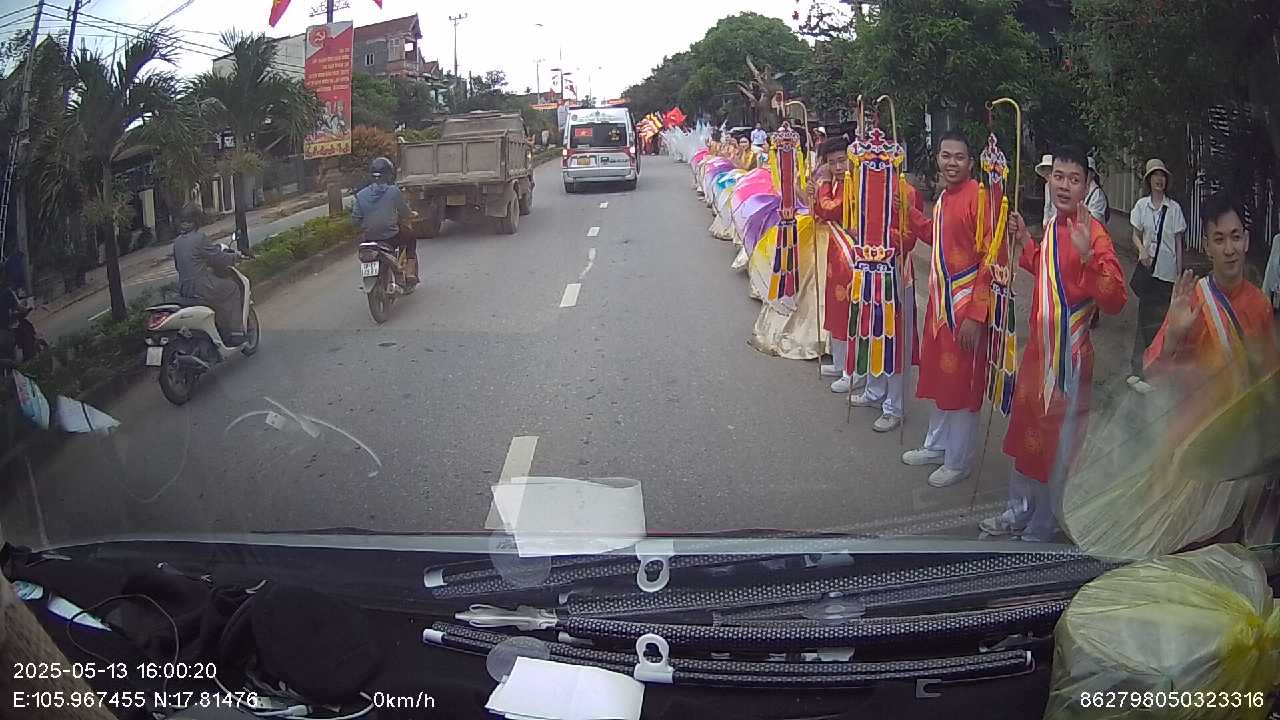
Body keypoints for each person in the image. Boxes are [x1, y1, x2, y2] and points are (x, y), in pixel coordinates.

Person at [981, 145, 1128, 542]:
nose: (1064, 185)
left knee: (1056, 446)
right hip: (1038, 356)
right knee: (1026, 434)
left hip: (1067, 361)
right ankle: (1019, 510)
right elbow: (1044, 270)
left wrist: (1089, 257)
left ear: (1087, 185)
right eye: (1058, 177)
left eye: (1073, 179)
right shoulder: (1052, 225)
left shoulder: (1093, 233)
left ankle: (1044, 525)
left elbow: (1116, 300)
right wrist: (1024, 241)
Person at [891, 130, 991, 482]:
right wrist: (909, 214)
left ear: (971, 163)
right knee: (943, 379)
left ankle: (958, 460)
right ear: (938, 159)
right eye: (946, 155)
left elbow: (991, 259)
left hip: (965, 307)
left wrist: (976, 315)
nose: (952, 162)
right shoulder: (946, 196)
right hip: (941, 306)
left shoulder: (979, 197)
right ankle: (937, 444)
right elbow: (937, 237)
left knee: (962, 384)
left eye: (959, 157)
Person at [1144, 190, 1279, 399]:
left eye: (1235, 237)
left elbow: (1270, 379)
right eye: (1219, 240)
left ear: (1246, 240)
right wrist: (1172, 336)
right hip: (1196, 416)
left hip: (1245, 417)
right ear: (1207, 246)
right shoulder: (1191, 302)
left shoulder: (1261, 305)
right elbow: (1152, 374)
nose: (1229, 249)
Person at [1125, 158, 1187, 394]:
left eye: (1162, 176)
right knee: (1144, 320)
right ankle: (1136, 370)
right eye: (1155, 175)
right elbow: (1135, 234)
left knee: (1162, 323)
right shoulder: (1142, 206)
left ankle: (1156, 372)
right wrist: (1141, 249)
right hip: (1149, 272)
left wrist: (1179, 274)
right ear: (1149, 180)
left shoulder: (1174, 209)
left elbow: (1179, 244)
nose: (1159, 179)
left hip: (1168, 274)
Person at [813, 137, 858, 391]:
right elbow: (819, 212)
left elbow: (830, 209)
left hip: (850, 256)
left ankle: (853, 371)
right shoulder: (835, 184)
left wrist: (823, 186)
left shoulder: (853, 184)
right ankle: (840, 363)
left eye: (842, 161)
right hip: (835, 254)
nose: (838, 167)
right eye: (832, 163)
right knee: (835, 307)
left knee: (849, 311)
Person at [173, 202, 245, 343]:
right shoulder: (199, 238)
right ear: (197, 220)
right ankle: (236, 333)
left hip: (184, 289)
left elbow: (180, 266)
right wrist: (235, 257)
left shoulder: (177, 242)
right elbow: (218, 258)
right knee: (232, 288)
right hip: (201, 286)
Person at [352, 156, 418, 286]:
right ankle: (410, 272)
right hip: (390, 237)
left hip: (369, 238)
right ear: (389, 175)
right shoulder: (393, 191)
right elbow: (404, 212)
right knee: (411, 237)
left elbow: (355, 219)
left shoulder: (361, 194)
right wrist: (411, 214)